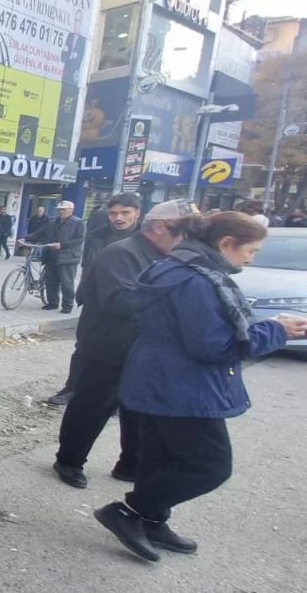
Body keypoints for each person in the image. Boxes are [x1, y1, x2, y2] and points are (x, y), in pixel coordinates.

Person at [94, 212, 307, 562]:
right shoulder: (197, 280)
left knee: (161, 457)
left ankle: (151, 520)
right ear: (226, 243)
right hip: (183, 387)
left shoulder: (176, 266)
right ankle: (130, 512)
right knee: (210, 466)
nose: (251, 259)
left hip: (158, 378)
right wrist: (276, 331)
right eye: (250, 251)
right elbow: (214, 345)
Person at [50, 199, 190, 489]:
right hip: (107, 347)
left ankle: (130, 465)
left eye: (125, 212)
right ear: (161, 228)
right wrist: (173, 294)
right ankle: (69, 461)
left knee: (138, 409)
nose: (187, 241)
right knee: (91, 407)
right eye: (185, 233)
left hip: (142, 347)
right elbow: (119, 301)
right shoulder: (123, 253)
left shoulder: (160, 254)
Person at [47, 193, 143, 407]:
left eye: (125, 213)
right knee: (83, 347)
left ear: (137, 212)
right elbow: (88, 265)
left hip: (127, 304)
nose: (118, 218)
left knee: (125, 352)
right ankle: (72, 389)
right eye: (113, 213)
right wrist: (82, 291)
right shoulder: (98, 235)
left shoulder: (144, 240)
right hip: (95, 301)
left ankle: (119, 397)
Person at [24, 200, 84, 313]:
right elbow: (40, 233)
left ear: (71, 210)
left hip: (68, 258)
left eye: (64, 209)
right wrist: (25, 238)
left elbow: (80, 239)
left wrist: (62, 245)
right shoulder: (52, 222)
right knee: (51, 282)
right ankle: (52, 303)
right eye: (59, 210)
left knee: (67, 283)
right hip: (51, 256)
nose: (61, 212)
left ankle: (67, 306)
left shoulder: (78, 223)